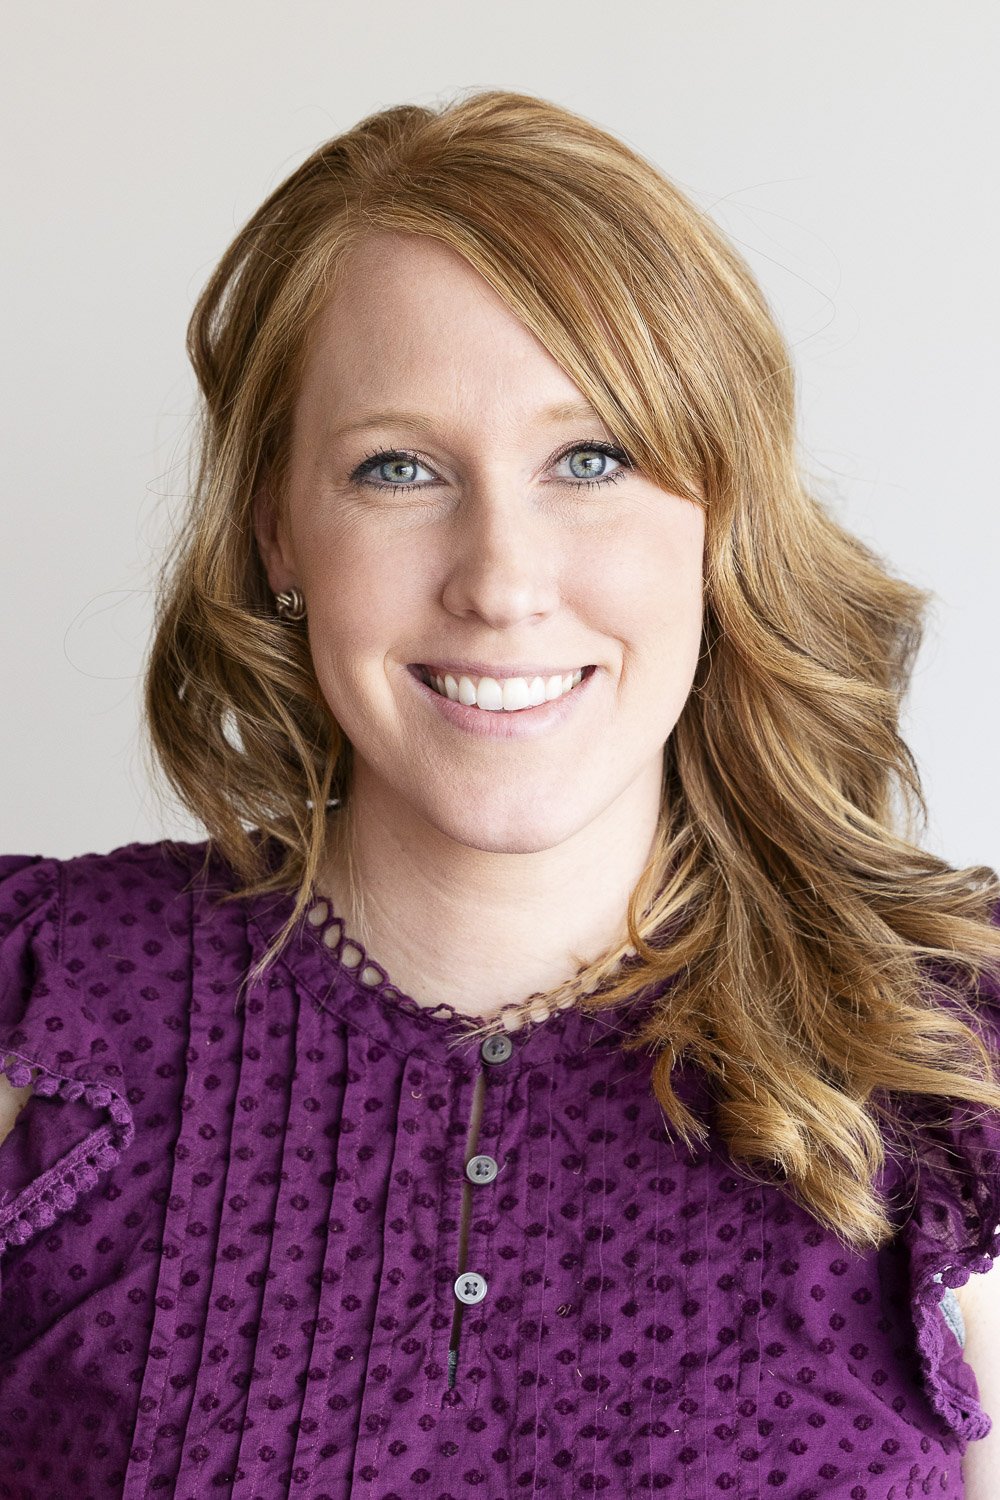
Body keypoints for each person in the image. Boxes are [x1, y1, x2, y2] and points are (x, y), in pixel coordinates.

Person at [1, 87, 999, 1499]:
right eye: (398, 468)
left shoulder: (953, 1061)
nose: (502, 581)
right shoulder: (42, 1010)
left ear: (720, 516)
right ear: (279, 531)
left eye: (591, 459)